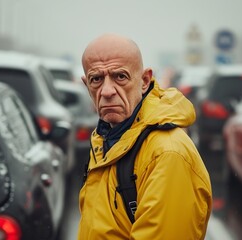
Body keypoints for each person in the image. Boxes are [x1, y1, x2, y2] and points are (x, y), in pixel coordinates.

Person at [78, 33, 212, 240]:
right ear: (86, 85)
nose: (106, 91)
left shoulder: (168, 153)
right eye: (96, 79)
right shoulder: (107, 140)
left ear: (144, 80)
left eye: (120, 76)